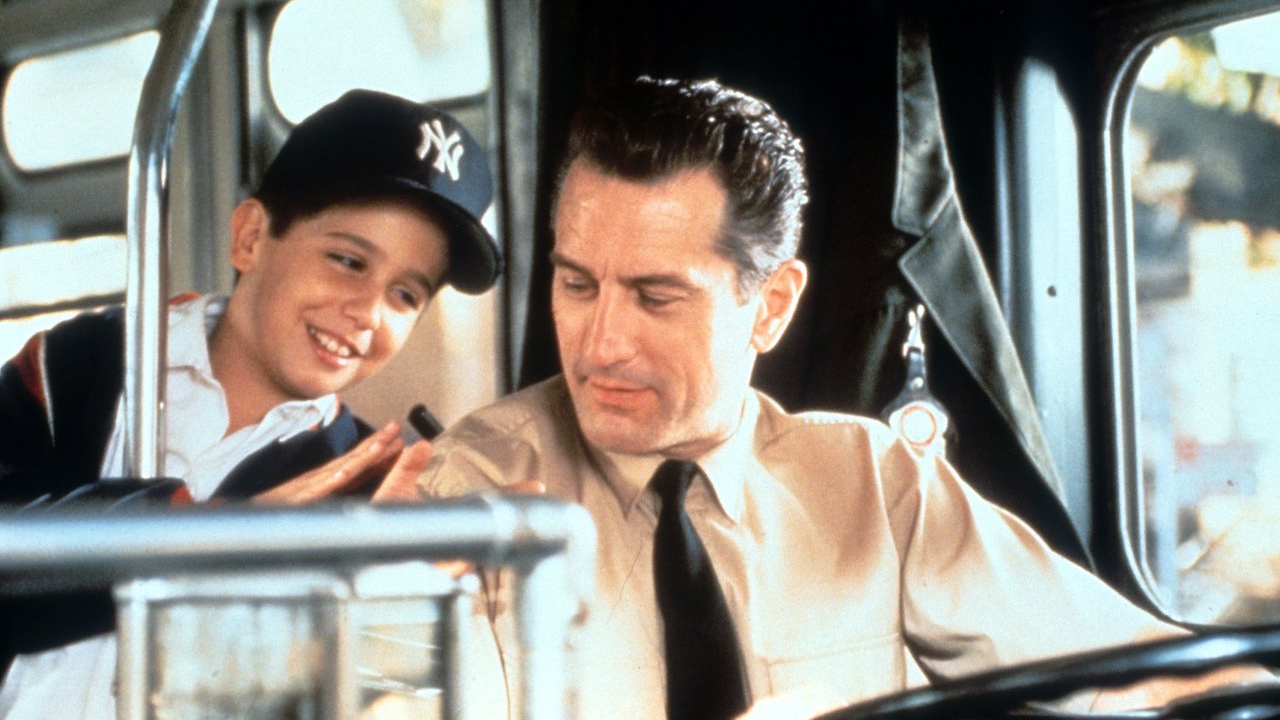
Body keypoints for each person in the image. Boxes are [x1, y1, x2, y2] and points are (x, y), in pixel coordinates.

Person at [413, 76, 1259, 719]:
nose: (600, 343)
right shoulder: (470, 498)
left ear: (771, 306)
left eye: (656, 296)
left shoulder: (874, 482)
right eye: (575, 283)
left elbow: (1140, 663)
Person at [0, 88, 499, 719]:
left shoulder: (368, 489)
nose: (369, 312)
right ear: (251, 237)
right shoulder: (79, 364)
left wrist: (406, 598)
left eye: (405, 295)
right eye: (348, 261)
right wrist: (210, 534)